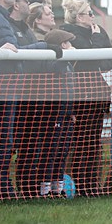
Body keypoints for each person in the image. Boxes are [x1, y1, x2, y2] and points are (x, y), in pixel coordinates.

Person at [0, 0, 48, 198]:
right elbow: (16, 51)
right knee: (4, 137)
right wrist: (47, 46)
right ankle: (1, 185)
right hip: (2, 85)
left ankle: (0, 184)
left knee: (1, 136)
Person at [59, 0, 112, 196]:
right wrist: (95, 40)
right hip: (78, 94)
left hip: (97, 94)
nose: (93, 16)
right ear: (78, 16)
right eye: (89, 13)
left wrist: (97, 38)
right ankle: (74, 186)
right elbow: (87, 58)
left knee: (93, 143)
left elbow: (109, 62)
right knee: (77, 142)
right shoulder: (67, 31)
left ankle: (91, 185)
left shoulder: (98, 32)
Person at [36, 29, 77, 197]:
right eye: (68, 43)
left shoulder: (68, 64)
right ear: (61, 45)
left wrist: (71, 111)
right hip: (54, 114)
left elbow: (70, 90)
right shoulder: (53, 63)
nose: (71, 46)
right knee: (51, 152)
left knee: (62, 152)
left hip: (66, 114)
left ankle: (58, 188)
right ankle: (45, 190)